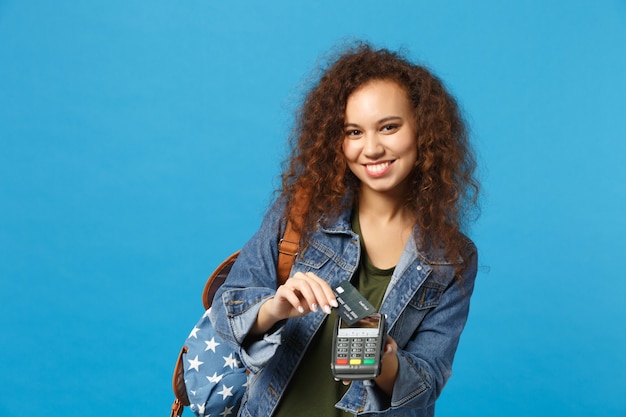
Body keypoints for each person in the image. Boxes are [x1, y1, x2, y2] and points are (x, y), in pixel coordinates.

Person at [210, 42, 480, 417]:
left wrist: (385, 358)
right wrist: (275, 308)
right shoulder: (301, 211)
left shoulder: (450, 257)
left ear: (423, 131)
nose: (371, 148)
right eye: (353, 132)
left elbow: (426, 384)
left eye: (388, 127)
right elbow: (225, 313)